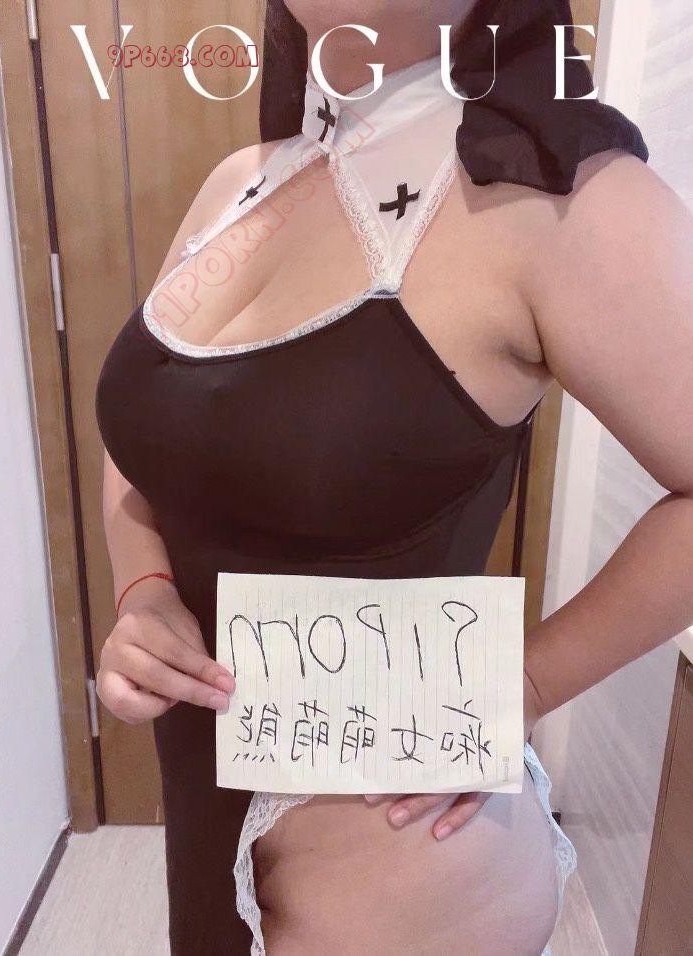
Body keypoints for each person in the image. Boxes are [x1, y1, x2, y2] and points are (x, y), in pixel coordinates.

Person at [95, 0, 693, 953]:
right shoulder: (238, 182)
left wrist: (528, 683)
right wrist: (145, 591)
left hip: (400, 864)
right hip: (202, 793)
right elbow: (143, 440)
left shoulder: (571, 199)